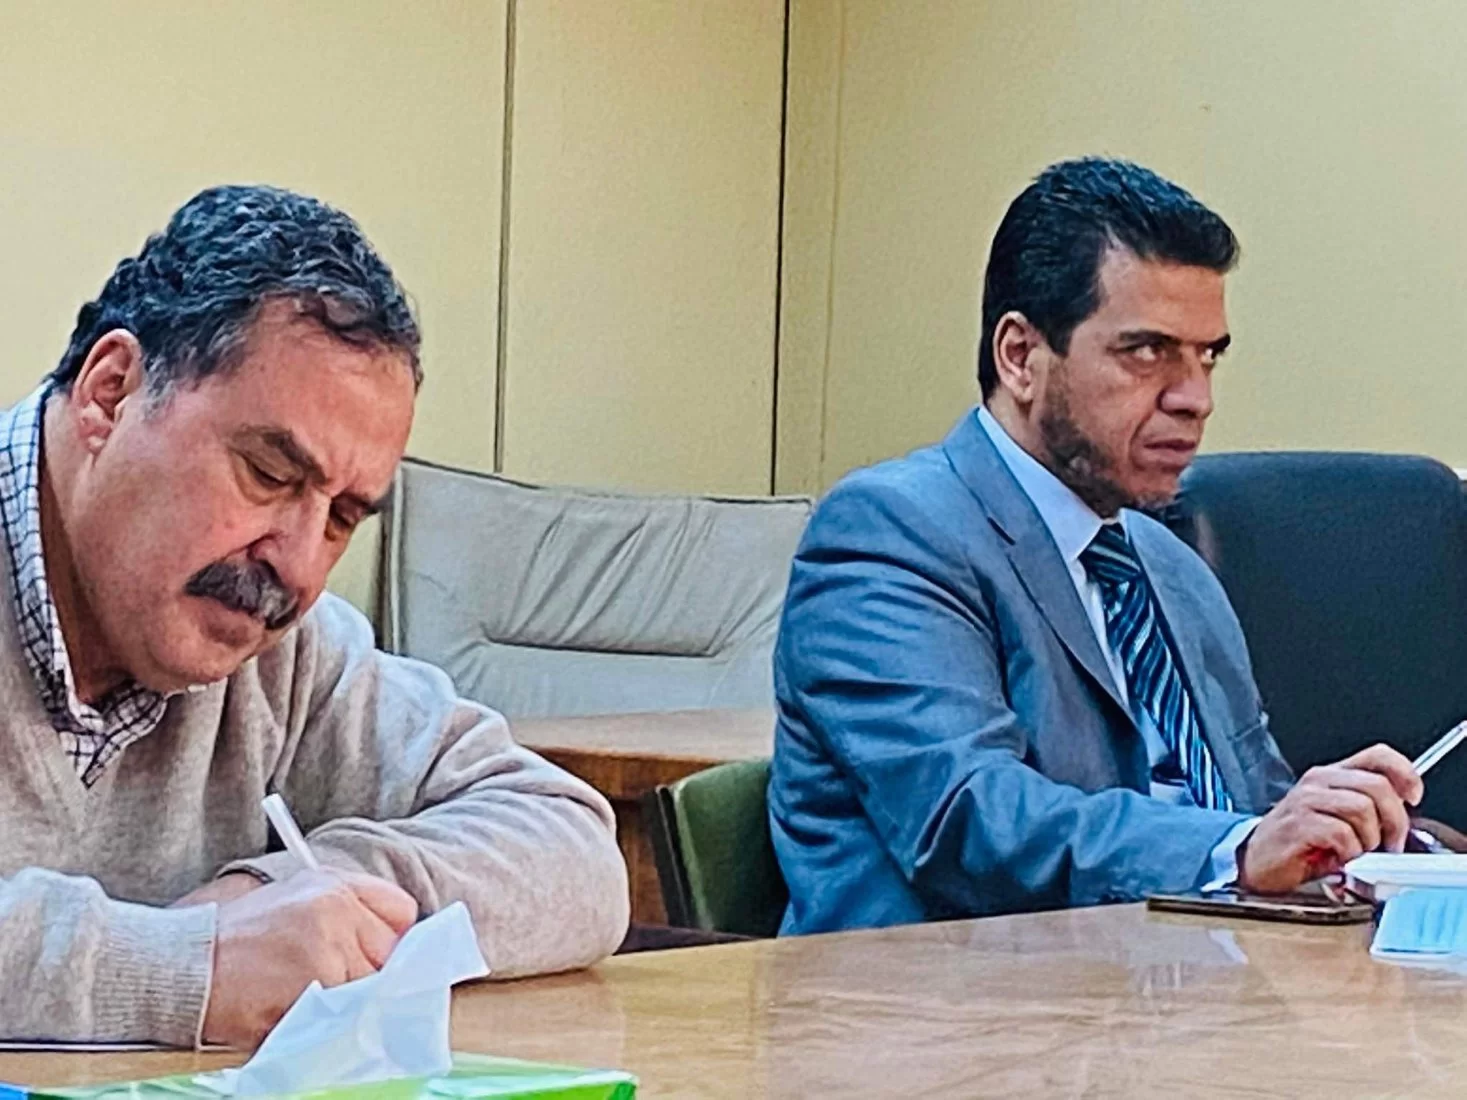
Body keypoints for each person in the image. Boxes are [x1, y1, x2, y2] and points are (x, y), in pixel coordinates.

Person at [0, 185, 629, 1047]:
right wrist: (191, 965)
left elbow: (571, 850)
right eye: (268, 474)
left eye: (342, 517)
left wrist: (304, 894)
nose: (297, 567)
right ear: (111, 393)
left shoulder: (282, 652)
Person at [769, 157, 1423, 935]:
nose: (1194, 398)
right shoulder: (890, 531)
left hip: (1197, 985)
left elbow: (1253, 813)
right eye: (1146, 352)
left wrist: (1353, 840)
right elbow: (967, 818)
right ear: (1019, 356)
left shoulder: (1170, 565)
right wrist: (1241, 849)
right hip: (949, 997)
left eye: (1207, 355)